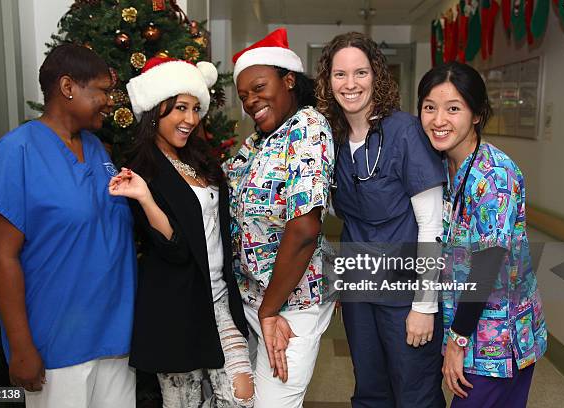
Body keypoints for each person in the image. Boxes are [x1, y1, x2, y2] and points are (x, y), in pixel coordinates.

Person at [0, 44, 136, 407]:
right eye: (102, 91)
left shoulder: (98, 150)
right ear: (68, 87)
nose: (109, 102)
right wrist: (21, 348)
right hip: (58, 348)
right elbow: (2, 257)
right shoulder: (15, 153)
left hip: (114, 338)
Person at [109, 56, 254, 408]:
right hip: (175, 307)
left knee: (240, 395)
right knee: (182, 403)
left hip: (219, 297)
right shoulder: (142, 169)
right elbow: (173, 249)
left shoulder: (198, 160)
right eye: (179, 108)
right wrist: (144, 196)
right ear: (156, 110)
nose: (190, 119)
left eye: (194, 109)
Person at [315, 32, 446, 407]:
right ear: (328, 81)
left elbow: (432, 226)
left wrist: (424, 306)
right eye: (340, 74)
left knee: (415, 393)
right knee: (369, 390)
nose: (350, 83)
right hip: (359, 289)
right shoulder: (332, 139)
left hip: (406, 293)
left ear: (377, 77)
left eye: (361, 72)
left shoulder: (406, 132)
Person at [417, 61, 547, 407]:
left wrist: (457, 344)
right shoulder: (442, 166)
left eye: (453, 108)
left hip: (498, 340)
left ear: (476, 114)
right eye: (429, 107)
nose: (438, 120)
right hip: (466, 325)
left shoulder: (496, 177)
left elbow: (488, 267)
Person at [225, 28, 335, 407]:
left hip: (293, 303)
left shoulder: (307, 127)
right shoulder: (259, 140)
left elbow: (305, 228)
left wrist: (272, 310)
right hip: (256, 299)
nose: (251, 101)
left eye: (258, 87)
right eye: (243, 96)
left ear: (288, 80)